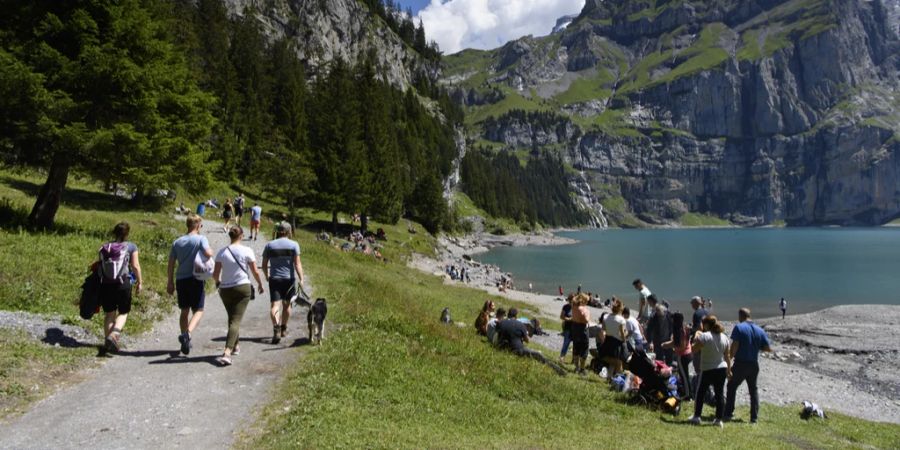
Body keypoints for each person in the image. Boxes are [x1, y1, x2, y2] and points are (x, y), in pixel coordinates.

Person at [212, 227, 264, 366]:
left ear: (230, 236)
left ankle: (236, 346)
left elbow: (215, 274)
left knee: (233, 317)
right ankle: (227, 352)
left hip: (225, 289)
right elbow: (255, 271)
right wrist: (260, 284)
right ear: (241, 236)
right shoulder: (247, 251)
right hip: (242, 288)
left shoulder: (222, 252)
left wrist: (218, 283)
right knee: (235, 320)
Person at [167, 214, 213, 355]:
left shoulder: (177, 242)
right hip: (196, 278)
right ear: (198, 225)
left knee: (184, 310)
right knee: (199, 309)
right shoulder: (201, 239)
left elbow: (171, 263)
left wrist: (170, 282)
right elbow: (208, 253)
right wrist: (211, 251)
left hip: (181, 279)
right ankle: (187, 334)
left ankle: (184, 339)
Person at [94, 222, 143, 354]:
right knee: (123, 312)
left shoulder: (105, 247)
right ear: (127, 233)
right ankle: (114, 335)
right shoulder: (131, 246)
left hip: (106, 284)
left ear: (114, 232)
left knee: (110, 313)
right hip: (123, 283)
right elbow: (135, 266)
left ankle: (107, 342)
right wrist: (140, 282)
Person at [725, 308, 772, 424]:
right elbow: (768, 348)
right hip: (753, 364)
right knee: (753, 390)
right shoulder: (759, 330)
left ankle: (728, 413)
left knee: (731, 386)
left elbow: (735, 346)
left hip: (741, 363)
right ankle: (754, 418)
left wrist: (728, 361)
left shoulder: (739, 327)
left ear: (741, 316)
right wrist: (755, 347)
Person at [262, 221, 304, 344]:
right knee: (287, 305)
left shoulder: (269, 245)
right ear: (288, 231)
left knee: (275, 305)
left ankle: (276, 327)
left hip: (275, 279)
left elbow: (264, 265)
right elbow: (297, 263)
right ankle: (284, 328)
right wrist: (301, 278)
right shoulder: (294, 245)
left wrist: (267, 276)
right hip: (289, 279)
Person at [689, 315, 732, 427]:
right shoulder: (724, 337)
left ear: (707, 325)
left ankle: (697, 416)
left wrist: (695, 336)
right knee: (719, 394)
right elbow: (727, 355)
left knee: (700, 392)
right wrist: (729, 369)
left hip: (707, 368)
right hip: (721, 368)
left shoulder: (705, 336)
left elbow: (693, 349)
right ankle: (718, 420)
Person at [496, 308, 566, 376]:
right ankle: (560, 371)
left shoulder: (501, 322)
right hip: (517, 350)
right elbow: (527, 341)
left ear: (508, 314)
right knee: (539, 355)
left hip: (501, 347)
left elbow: (497, 334)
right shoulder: (520, 324)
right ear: (516, 316)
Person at [662, 312, 693, 400]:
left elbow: (680, 346)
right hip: (688, 353)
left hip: (683, 356)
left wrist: (667, 345)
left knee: (684, 376)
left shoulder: (680, 331)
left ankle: (687, 396)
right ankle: (687, 392)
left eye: (673, 319)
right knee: (684, 375)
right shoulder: (684, 327)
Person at [599, 298, 627, 380]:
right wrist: (625, 337)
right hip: (616, 343)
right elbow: (622, 335)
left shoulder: (605, 316)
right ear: (621, 308)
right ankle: (618, 380)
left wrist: (603, 341)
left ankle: (610, 377)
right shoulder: (621, 320)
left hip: (608, 340)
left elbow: (603, 330)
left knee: (612, 361)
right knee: (618, 363)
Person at [646, 297, 674, 365]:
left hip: (668, 338)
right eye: (657, 313)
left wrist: (673, 335)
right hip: (658, 339)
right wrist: (650, 342)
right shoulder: (653, 317)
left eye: (660, 314)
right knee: (659, 357)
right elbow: (649, 330)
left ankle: (669, 368)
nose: (658, 315)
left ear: (664, 311)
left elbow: (673, 325)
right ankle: (660, 369)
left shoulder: (669, 315)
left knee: (669, 356)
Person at [569, 293, 591, 375]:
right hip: (582, 329)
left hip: (575, 327)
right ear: (584, 301)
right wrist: (588, 314)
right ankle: (582, 369)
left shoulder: (573, 306)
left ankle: (576, 367)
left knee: (576, 347)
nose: (587, 303)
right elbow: (586, 320)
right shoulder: (584, 309)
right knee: (584, 348)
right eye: (587, 301)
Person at [690, 296, 708, 376]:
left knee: (697, 362)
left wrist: (691, 328)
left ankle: (699, 378)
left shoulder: (696, 314)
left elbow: (699, 327)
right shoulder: (706, 311)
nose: (691, 305)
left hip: (700, 339)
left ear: (695, 303)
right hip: (708, 337)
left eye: (692, 303)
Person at [558, 294, 574, 364]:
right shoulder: (566, 307)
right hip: (568, 327)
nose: (573, 302)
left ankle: (574, 360)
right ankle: (562, 358)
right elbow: (561, 316)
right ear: (569, 300)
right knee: (566, 343)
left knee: (576, 344)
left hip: (576, 328)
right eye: (571, 301)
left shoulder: (577, 307)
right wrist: (569, 319)